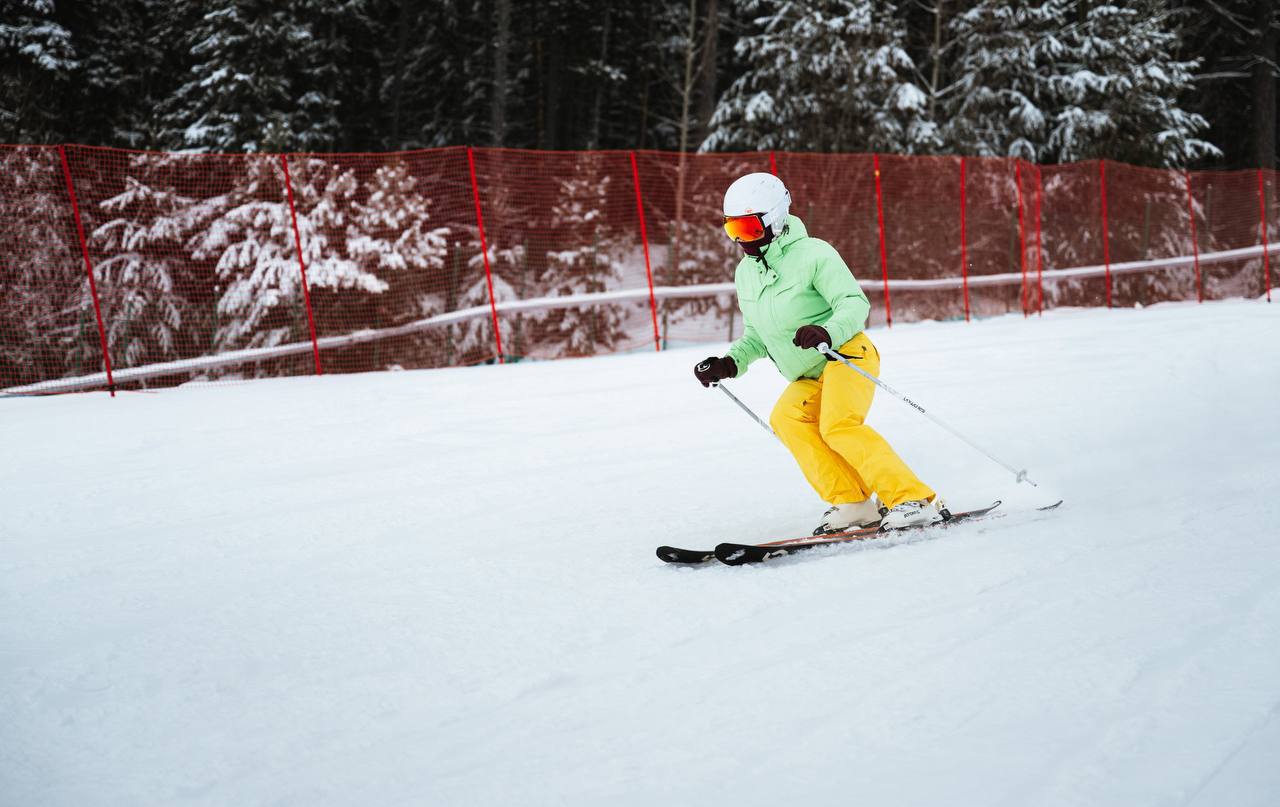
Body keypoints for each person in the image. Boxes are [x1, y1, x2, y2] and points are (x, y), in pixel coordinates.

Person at [693, 172, 943, 533]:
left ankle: (912, 498)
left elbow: (853, 303)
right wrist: (730, 363)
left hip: (845, 354)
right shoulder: (746, 273)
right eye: (733, 230)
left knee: (838, 425)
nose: (741, 241)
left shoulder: (814, 254)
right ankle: (853, 503)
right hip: (809, 373)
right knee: (787, 419)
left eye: (748, 229)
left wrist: (826, 330)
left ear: (774, 220)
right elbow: (757, 335)